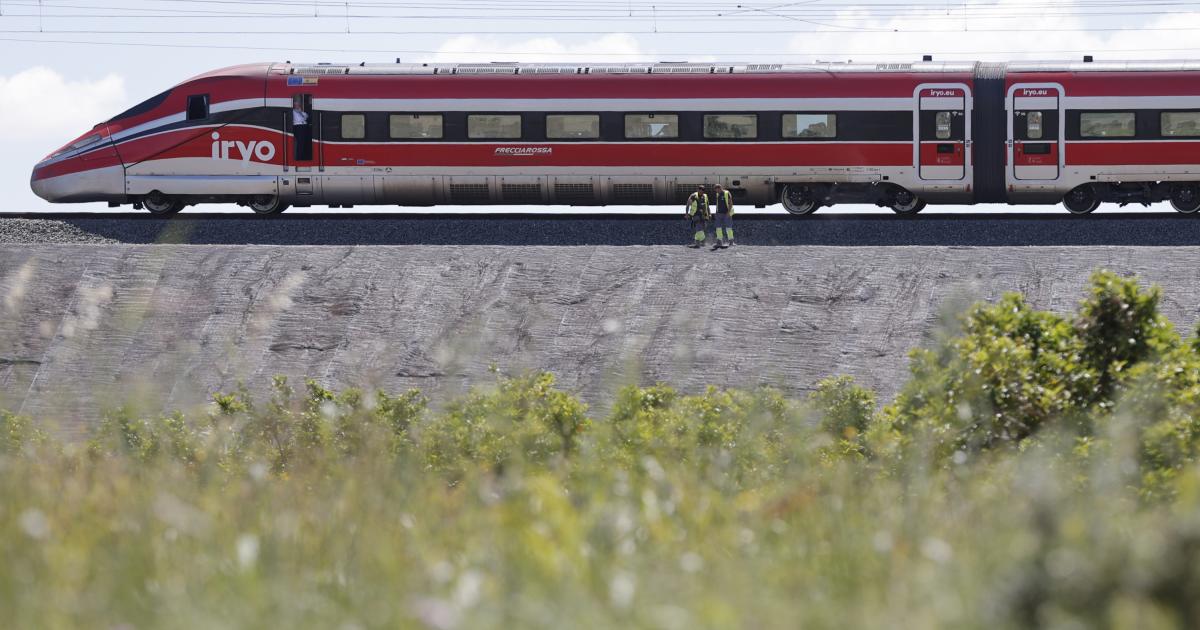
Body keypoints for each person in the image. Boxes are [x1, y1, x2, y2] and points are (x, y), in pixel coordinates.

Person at [712, 184, 735, 249]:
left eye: (717, 190)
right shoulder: (717, 194)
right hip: (719, 213)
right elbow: (718, 204)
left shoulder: (727, 193)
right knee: (718, 228)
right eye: (716, 190)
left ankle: (731, 241)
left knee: (728, 227)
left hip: (726, 213)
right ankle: (719, 241)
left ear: (720, 188)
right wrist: (716, 212)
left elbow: (730, 203)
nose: (717, 191)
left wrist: (728, 212)